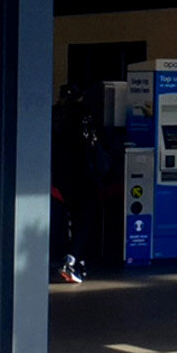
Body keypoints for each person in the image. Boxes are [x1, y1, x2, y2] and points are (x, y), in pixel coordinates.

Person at [51, 83, 100, 283]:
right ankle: (72, 260)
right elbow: (93, 143)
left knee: (68, 219)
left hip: (61, 176)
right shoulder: (85, 114)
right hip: (83, 175)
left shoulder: (55, 114)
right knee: (85, 220)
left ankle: (75, 260)